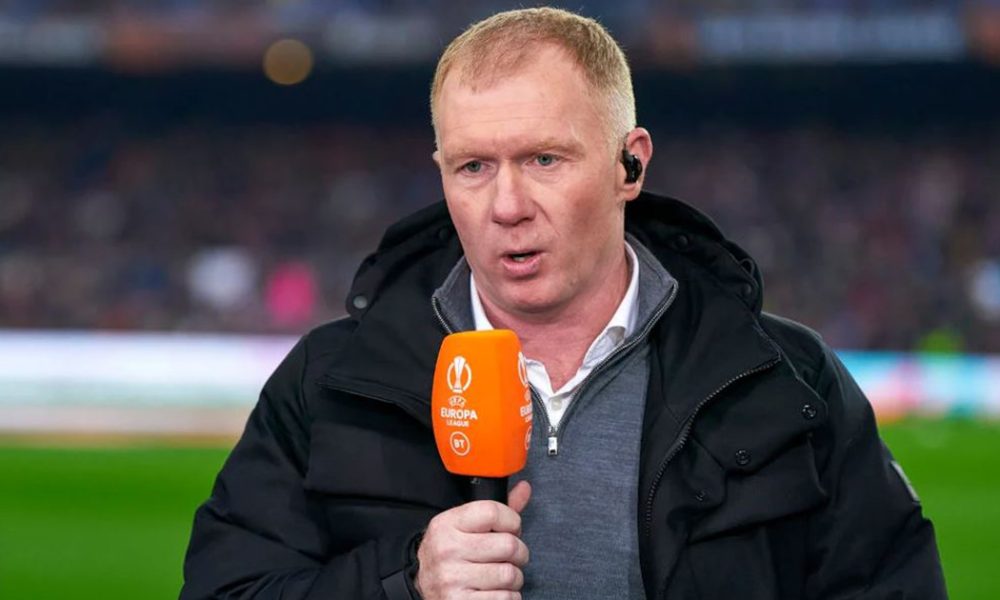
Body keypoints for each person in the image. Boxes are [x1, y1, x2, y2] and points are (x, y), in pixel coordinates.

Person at [181, 7, 946, 599]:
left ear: (629, 165)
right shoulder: (330, 381)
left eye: (544, 159)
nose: (507, 205)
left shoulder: (783, 377)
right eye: (473, 167)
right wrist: (402, 582)